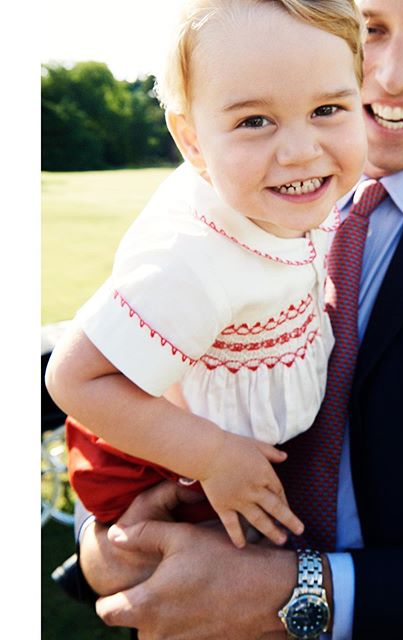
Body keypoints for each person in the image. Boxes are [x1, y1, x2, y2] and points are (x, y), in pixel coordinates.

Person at [67, 0, 403, 638]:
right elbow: (114, 388)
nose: (392, 75)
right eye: (371, 29)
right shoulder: (204, 218)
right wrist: (108, 541)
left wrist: (296, 593)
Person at [45, 0, 368, 549]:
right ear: (193, 140)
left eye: (328, 109)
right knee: (207, 597)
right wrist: (213, 456)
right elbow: (74, 379)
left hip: (221, 442)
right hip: (158, 462)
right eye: (253, 121)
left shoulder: (281, 200)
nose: (300, 150)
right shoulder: (194, 256)